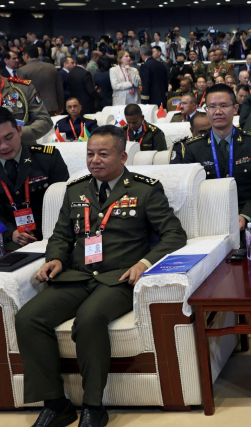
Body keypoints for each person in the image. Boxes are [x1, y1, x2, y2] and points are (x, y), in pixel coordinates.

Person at [15, 125, 187, 427]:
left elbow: (174, 234)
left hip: (119, 278)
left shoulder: (145, 189)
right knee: (29, 317)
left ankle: (93, 406)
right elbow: (60, 236)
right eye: (90, 154)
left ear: (122, 156)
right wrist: (54, 258)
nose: (94, 160)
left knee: (90, 318)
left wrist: (145, 263)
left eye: (103, 154)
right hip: (77, 276)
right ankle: (56, 404)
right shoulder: (76, 190)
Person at [0, 106, 69, 250]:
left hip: (51, 235)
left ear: (19, 131)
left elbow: (63, 201)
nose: (4, 147)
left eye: (9, 137)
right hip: (8, 239)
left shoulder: (47, 158)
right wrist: (11, 232)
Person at [182, 85, 251, 234]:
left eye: (224, 106)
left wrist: (245, 215)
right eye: (212, 106)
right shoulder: (193, 148)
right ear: (206, 111)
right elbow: (188, 190)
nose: (218, 112)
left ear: (235, 108)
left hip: (248, 213)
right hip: (208, 215)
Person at [19, 45, 65, 115]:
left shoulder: (22, 70)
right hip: (52, 106)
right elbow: (59, 89)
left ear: (26, 55)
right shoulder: (51, 67)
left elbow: (22, 92)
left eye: (23, 55)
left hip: (34, 109)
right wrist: (60, 106)